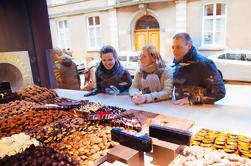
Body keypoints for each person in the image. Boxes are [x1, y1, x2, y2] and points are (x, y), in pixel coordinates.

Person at [171, 32, 225, 105]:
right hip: (180, 110)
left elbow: (219, 92)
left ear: (189, 46)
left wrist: (191, 99)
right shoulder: (177, 65)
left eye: (178, 47)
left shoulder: (205, 64)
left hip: (200, 112)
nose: (174, 51)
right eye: (173, 47)